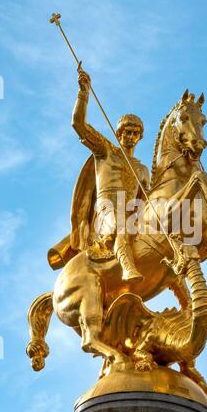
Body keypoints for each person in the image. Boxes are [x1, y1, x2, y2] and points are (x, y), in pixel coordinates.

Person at [71, 68, 149, 281]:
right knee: (122, 224)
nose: (131, 137)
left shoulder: (142, 170)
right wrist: (84, 93)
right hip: (107, 211)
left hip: (132, 214)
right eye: (127, 133)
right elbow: (78, 125)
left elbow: (147, 202)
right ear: (119, 134)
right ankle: (127, 268)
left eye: (135, 133)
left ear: (140, 137)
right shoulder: (106, 150)